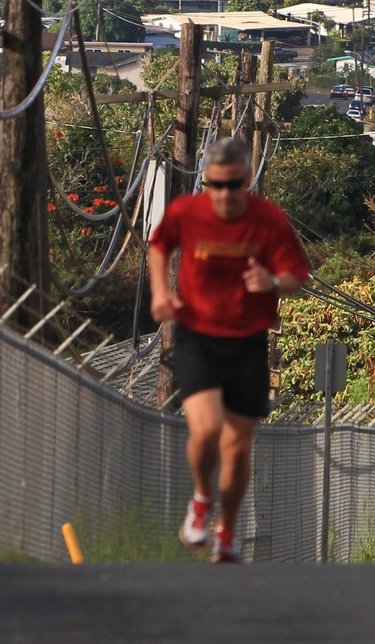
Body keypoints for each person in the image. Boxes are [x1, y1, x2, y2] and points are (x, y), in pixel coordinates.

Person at [149, 132, 310, 563]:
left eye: (232, 185)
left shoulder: (268, 219)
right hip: (197, 335)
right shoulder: (187, 212)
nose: (222, 195)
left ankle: (228, 531)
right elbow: (159, 244)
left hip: (247, 341)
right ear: (205, 182)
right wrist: (160, 293)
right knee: (205, 430)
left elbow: (299, 276)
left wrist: (273, 283)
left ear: (246, 182)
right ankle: (202, 499)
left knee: (238, 448)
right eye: (214, 185)